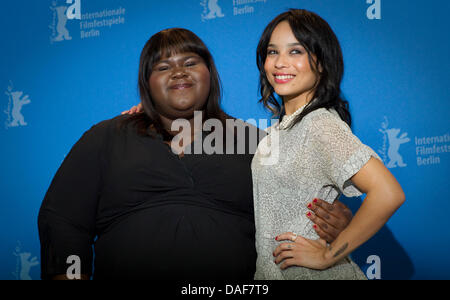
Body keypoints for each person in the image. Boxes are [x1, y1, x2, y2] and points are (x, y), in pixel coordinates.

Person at [38, 27, 351, 280]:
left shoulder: (256, 142)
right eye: (163, 67)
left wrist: (337, 223)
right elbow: (63, 220)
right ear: (147, 85)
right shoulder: (106, 136)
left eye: (189, 63)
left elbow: (299, 207)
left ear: (209, 74)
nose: (178, 72)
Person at [251, 9, 405, 280]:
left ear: (321, 62)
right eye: (273, 52)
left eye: (295, 51)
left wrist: (327, 255)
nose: (279, 62)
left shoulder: (319, 124)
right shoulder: (280, 130)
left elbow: (388, 193)